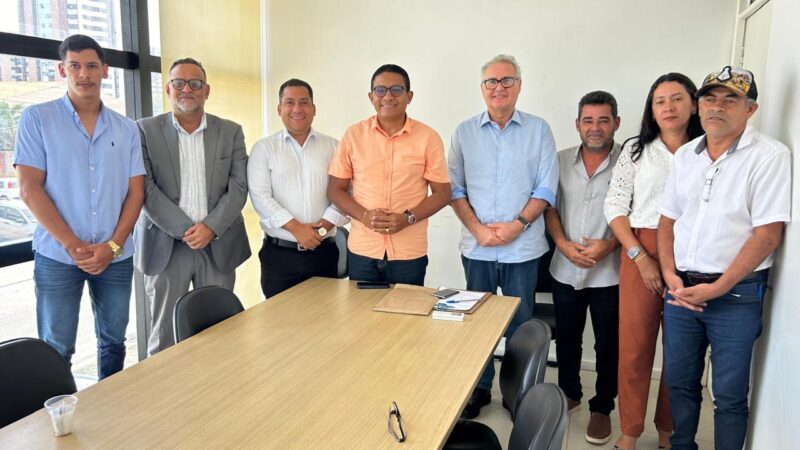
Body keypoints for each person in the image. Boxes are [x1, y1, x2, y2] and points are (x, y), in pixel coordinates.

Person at [658, 66, 790, 450]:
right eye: (709, 99)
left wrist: (717, 287)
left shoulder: (769, 156)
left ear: (750, 110)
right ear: (699, 106)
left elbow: (767, 235)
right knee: (680, 383)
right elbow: (668, 221)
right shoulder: (686, 155)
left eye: (730, 99)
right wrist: (669, 274)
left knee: (729, 395)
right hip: (681, 288)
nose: (717, 107)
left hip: (735, 296)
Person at [14, 34, 145, 379]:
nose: (83, 74)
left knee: (114, 340)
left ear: (105, 71)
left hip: (115, 256)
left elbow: (135, 193)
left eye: (91, 66)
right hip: (58, 256)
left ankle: (111, 410)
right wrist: (72, 245)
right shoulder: (37, 119)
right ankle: (60, 418)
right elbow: (30, 189)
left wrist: (113, 245)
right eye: (75, 66)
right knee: (56, 347)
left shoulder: (127, 128)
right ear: (62, 70)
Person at [448, 54, 558, 419]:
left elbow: (546, 186)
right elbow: (454, 188)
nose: (499, 88)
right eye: (492, 82)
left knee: (520, 324)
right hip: (476, 247)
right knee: (476, 322)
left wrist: (517, 225)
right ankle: (478, 390)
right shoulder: (463, 132)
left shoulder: (539, 130)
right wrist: (478, 229)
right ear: (482, 89)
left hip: (522, 247)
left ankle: (517, 393)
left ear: (519, 86)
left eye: (507, 80)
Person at [604, 72, 703, 450]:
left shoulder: (708, 149)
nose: (668, 107)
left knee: (681, 352)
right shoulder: (635, 150)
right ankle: (629, 430)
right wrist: (639, 256)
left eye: (676, 99)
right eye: (660, 101)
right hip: (640, 248)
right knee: (634, 347)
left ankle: (668, 431)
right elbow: (614, 207)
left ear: (693, 104)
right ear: (651, 109)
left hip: (692, 255)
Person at [135, 57, 250, 355]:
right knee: (163, 336)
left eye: (195, 83)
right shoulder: (144, 130)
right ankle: (166, 397)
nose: (187, 89)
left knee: (221, 330)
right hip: (166, 245)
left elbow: (239, 186)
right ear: (168, 89)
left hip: (218, 243)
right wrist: (187, 229)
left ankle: (218, 393)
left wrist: (209, 227)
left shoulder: (231, 131)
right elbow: (144, 187)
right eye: (179, 83)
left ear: (206, 90)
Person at [327, 64, 450, 286]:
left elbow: (442, 193)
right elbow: (335, 190)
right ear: (371, 96)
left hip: (408, 252)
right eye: (380, 90)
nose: (388, 96)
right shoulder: (354, 135)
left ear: (409, 96)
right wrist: (364, 216)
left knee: (406, 319)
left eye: (396, 89)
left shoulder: (428, 137)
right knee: (362, 318)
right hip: (363, 250)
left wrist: (408, 218)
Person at [545, 91, 621, 444]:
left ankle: (602, 407)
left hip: (610, 273)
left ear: (616, 124)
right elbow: (549, 208)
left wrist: (610, 245)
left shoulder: (630, 163)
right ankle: (569, 394)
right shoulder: (558, 161)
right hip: (565, 267)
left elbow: (637, 215)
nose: (595, 127)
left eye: (603, 120)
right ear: (577, 124)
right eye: (588, 120)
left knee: (608, 345)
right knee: (568, 339)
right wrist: (561, 244)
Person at [248, 79, 349, 299]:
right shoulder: (264, 148)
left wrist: (321, 229)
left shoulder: (334, 146)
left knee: (324, 325)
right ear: (279, 108)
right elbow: (260, 196)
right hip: (279, 257)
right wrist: (296, 228)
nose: (297, 109)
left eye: (304, 102)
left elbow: (345, 192)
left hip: (324, 253)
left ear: (314, 109)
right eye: (290, 102)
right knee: (281, 327)